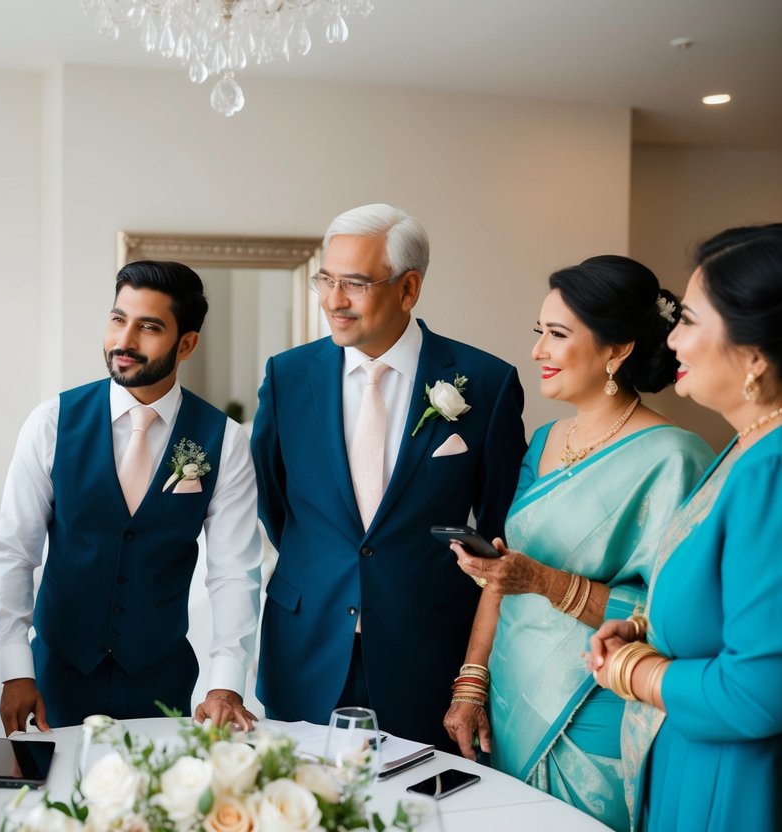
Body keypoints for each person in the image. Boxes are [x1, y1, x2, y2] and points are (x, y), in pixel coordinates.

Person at [445, 256, 713, 830]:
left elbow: (677, 617)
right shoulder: (544, 440)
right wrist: (471, 683)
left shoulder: (674, 458)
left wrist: (542, 581)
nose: (539, 351)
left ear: (617, 350)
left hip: (594, 705)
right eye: (538, 332)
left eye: (558, 335)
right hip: (512, 696)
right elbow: (508, 566)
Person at [251, 203, 527, 748]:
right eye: (326, 280)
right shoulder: (287, 376)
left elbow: (500, 528)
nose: (334, 301)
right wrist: (327, 564)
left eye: (354, 283)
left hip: (426, 650)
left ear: (409, 288)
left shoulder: (487, 383)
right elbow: (275, 501)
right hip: (305, 641)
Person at [0, 260, 261, 733]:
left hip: (162, 681)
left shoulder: (225, 439)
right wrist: (16, 669)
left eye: (149, 327)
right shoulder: (52, 422)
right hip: (56, 677)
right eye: (118, 319)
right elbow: (15, 551)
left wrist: (225, 683)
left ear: (188, 344)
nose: (124, 341)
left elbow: (234, 572)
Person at [589, 224, 782, 831]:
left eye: (691, 321)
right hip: (693, 750)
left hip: (734, 779)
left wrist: (632, 671)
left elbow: (757, 691)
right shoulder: (745, 445)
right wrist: (647, 624)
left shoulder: (771, 470)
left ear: (754, 356)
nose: (671, 338)